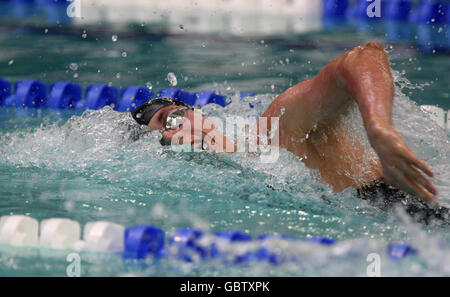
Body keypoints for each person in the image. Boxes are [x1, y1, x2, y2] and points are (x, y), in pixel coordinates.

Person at [131, 42, 448, 224]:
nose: (173, 135)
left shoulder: (274, 129)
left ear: (198, 113)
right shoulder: (239, 185)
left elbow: (364, 57)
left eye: (170, 119)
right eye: (161, 138)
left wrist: (379, 128)